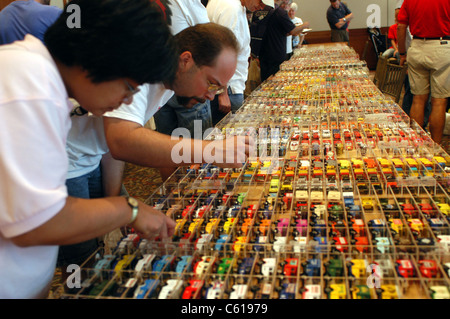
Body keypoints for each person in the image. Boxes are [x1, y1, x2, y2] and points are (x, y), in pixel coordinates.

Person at [0, 0, 179, 299]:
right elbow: (37, 223)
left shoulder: (43, 83)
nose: (126, 100)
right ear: (97, 55)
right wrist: (128, 209)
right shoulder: (30, 88)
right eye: (129, 87)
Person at [63, 22, 252, 270]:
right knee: (82, 258)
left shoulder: (168, 81)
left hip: (93, 157)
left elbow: (110, 143)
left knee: (108, 239)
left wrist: (114, 199)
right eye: (211, 83)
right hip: (61, 161)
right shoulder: (143, 67)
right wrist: (210, 150)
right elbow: (123, 140)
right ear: (186, 60)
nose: (210, 95)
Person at [153, 0, 213, 148]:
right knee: (196, 152)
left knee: (167, 147)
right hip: (183, 86)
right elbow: (211, 40)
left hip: (159, 84)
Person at [397, 0, 450, 144]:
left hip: (417, 46)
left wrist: (402, 53)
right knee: (439, 102)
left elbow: (401, 27)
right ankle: (435, 147)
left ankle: (416, 144)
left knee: (418, 100)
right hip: (442, 46)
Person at [206, 0, 266, 125]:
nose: (261, 7)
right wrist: (223, 93)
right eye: (260, 2)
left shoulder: (236, 6)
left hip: (224, 85)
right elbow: (223, 52)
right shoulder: (231, 8)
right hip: (229, 88)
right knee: (230, 135)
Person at [258, 0, 310, 82]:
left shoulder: (263, 10)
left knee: (266, 82)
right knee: (275, 84)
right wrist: (304, 25)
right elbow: (293, 31)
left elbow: (279, 31)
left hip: (264, 54)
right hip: (276, 55)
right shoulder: (280, 12)